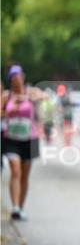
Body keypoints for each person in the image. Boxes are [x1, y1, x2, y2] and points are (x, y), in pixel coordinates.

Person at [1, 66, 41, 220]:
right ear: (10, 80)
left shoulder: (30, 92)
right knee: (15, 171)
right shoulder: (7, 95)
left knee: (25, 175)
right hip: (11, 138)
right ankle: (15, 207)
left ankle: (21, 207)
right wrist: (10, 110)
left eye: (19, 77)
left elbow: (44, 96)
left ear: (23, 77)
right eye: (13, 78)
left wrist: (31, 98)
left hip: (30, 138)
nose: (17, 80)